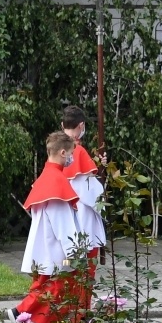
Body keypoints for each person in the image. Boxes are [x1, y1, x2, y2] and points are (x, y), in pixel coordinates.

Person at [12, 131, 88, 323]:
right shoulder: (57, 181)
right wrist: (75, 253)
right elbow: (63, 224)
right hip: (57, 250)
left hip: (46, 247)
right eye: (71, 153)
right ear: (63, 152)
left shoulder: (47, 176)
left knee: (47, 285)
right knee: (58, 285)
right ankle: (20, 312)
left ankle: (27, 317)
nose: (72, 157)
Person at [60, 105, 107, 258]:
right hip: (82, 215)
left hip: (62, 212)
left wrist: (97, 164)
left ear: (62, 126)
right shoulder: (79, 151)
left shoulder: (55, 149)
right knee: (85, 264)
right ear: (81, 126)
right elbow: (92, 193)